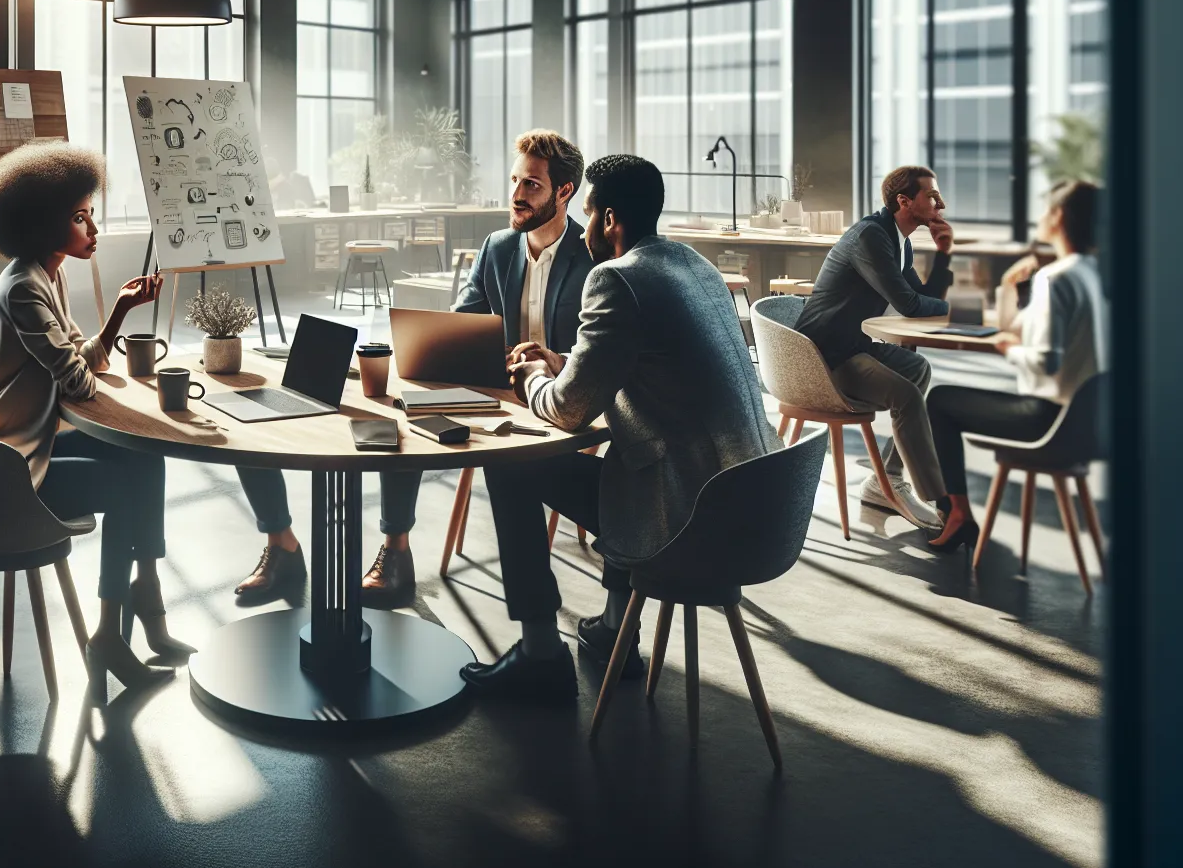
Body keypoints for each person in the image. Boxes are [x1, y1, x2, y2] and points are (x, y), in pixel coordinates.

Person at [460, 155, 779, 701]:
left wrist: (535, 375)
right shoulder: (692, 264)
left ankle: (539, 652)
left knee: (509, 467)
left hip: (688, 520)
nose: (585, 230)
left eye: (588, 213)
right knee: (628, 462)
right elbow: (646, 361)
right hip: (757, 506)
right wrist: (564, 361)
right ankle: (613, 631)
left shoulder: (616, 277)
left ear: (608, 218)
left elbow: (567, 412)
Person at [230, 130, 594, 607]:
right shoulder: (499, 247)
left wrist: (551, 359)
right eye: (514, 181)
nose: (516, 196)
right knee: (401, 413)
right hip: (495, 387)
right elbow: (461, 320)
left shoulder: (592, 258)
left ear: (564, 191)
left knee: (497, 465)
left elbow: (596, 345)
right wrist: (469, 349)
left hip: (555, 399)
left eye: (532, 185)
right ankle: (396, 553)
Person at [0, 143, 185, 690]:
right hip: (1, 465)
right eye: (79, 218)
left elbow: (82, 361)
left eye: (90, 213)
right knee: (128, 482)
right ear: (42, 223)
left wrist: (120, 310)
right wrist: (92, 356)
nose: (92, 228)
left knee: (142, 458)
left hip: (25, 442)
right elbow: (76, 379)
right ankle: (109, 634)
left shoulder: (45, 275)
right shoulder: (25, 288)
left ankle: (147, 596)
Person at [926, 180, 1107, 549]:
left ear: (1057, 217)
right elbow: (1016, 327)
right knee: (946, 398)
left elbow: (1045, 360)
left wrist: (1009, 351)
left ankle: (957, 512)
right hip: (1092, 422)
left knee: (940, 400)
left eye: (1045, 210)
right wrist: (1010, 287)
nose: (1041, 216)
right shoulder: (1091, 273)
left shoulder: (1055, 278)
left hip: (1049, 419)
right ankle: (958, 512)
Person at [792, 164, 957, 530]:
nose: (940, 203)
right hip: (822, 356)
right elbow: (912, 305)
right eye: (931, 196)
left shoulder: (900, 242)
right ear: (904, 201)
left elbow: (920, 298)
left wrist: (944, 253)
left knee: (917, 369)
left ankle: (887, 480)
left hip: (852, 345)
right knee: (908, 397)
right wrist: (956, 310)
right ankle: (942, 500)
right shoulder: (870, 237)